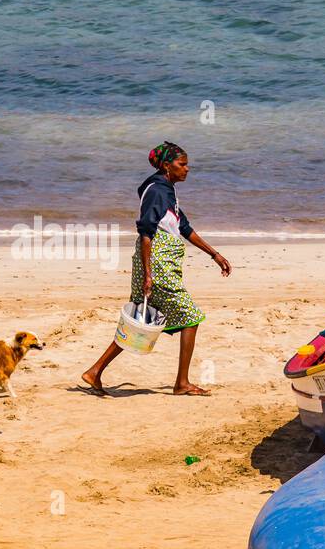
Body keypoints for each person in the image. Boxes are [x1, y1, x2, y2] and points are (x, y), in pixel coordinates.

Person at [82, 142, 231, 395]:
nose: (187, 169)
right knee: (191, 317)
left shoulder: (167, 191)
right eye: (182, 164)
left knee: (140, 322)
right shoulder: (156, 191)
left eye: (186, 164)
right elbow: (146, 232)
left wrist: (214, 254)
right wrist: (149, 274)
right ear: (166, 166)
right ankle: (182, 384)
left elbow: (184, 228)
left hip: (158, 263)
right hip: (157, 264)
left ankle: (95, 371)